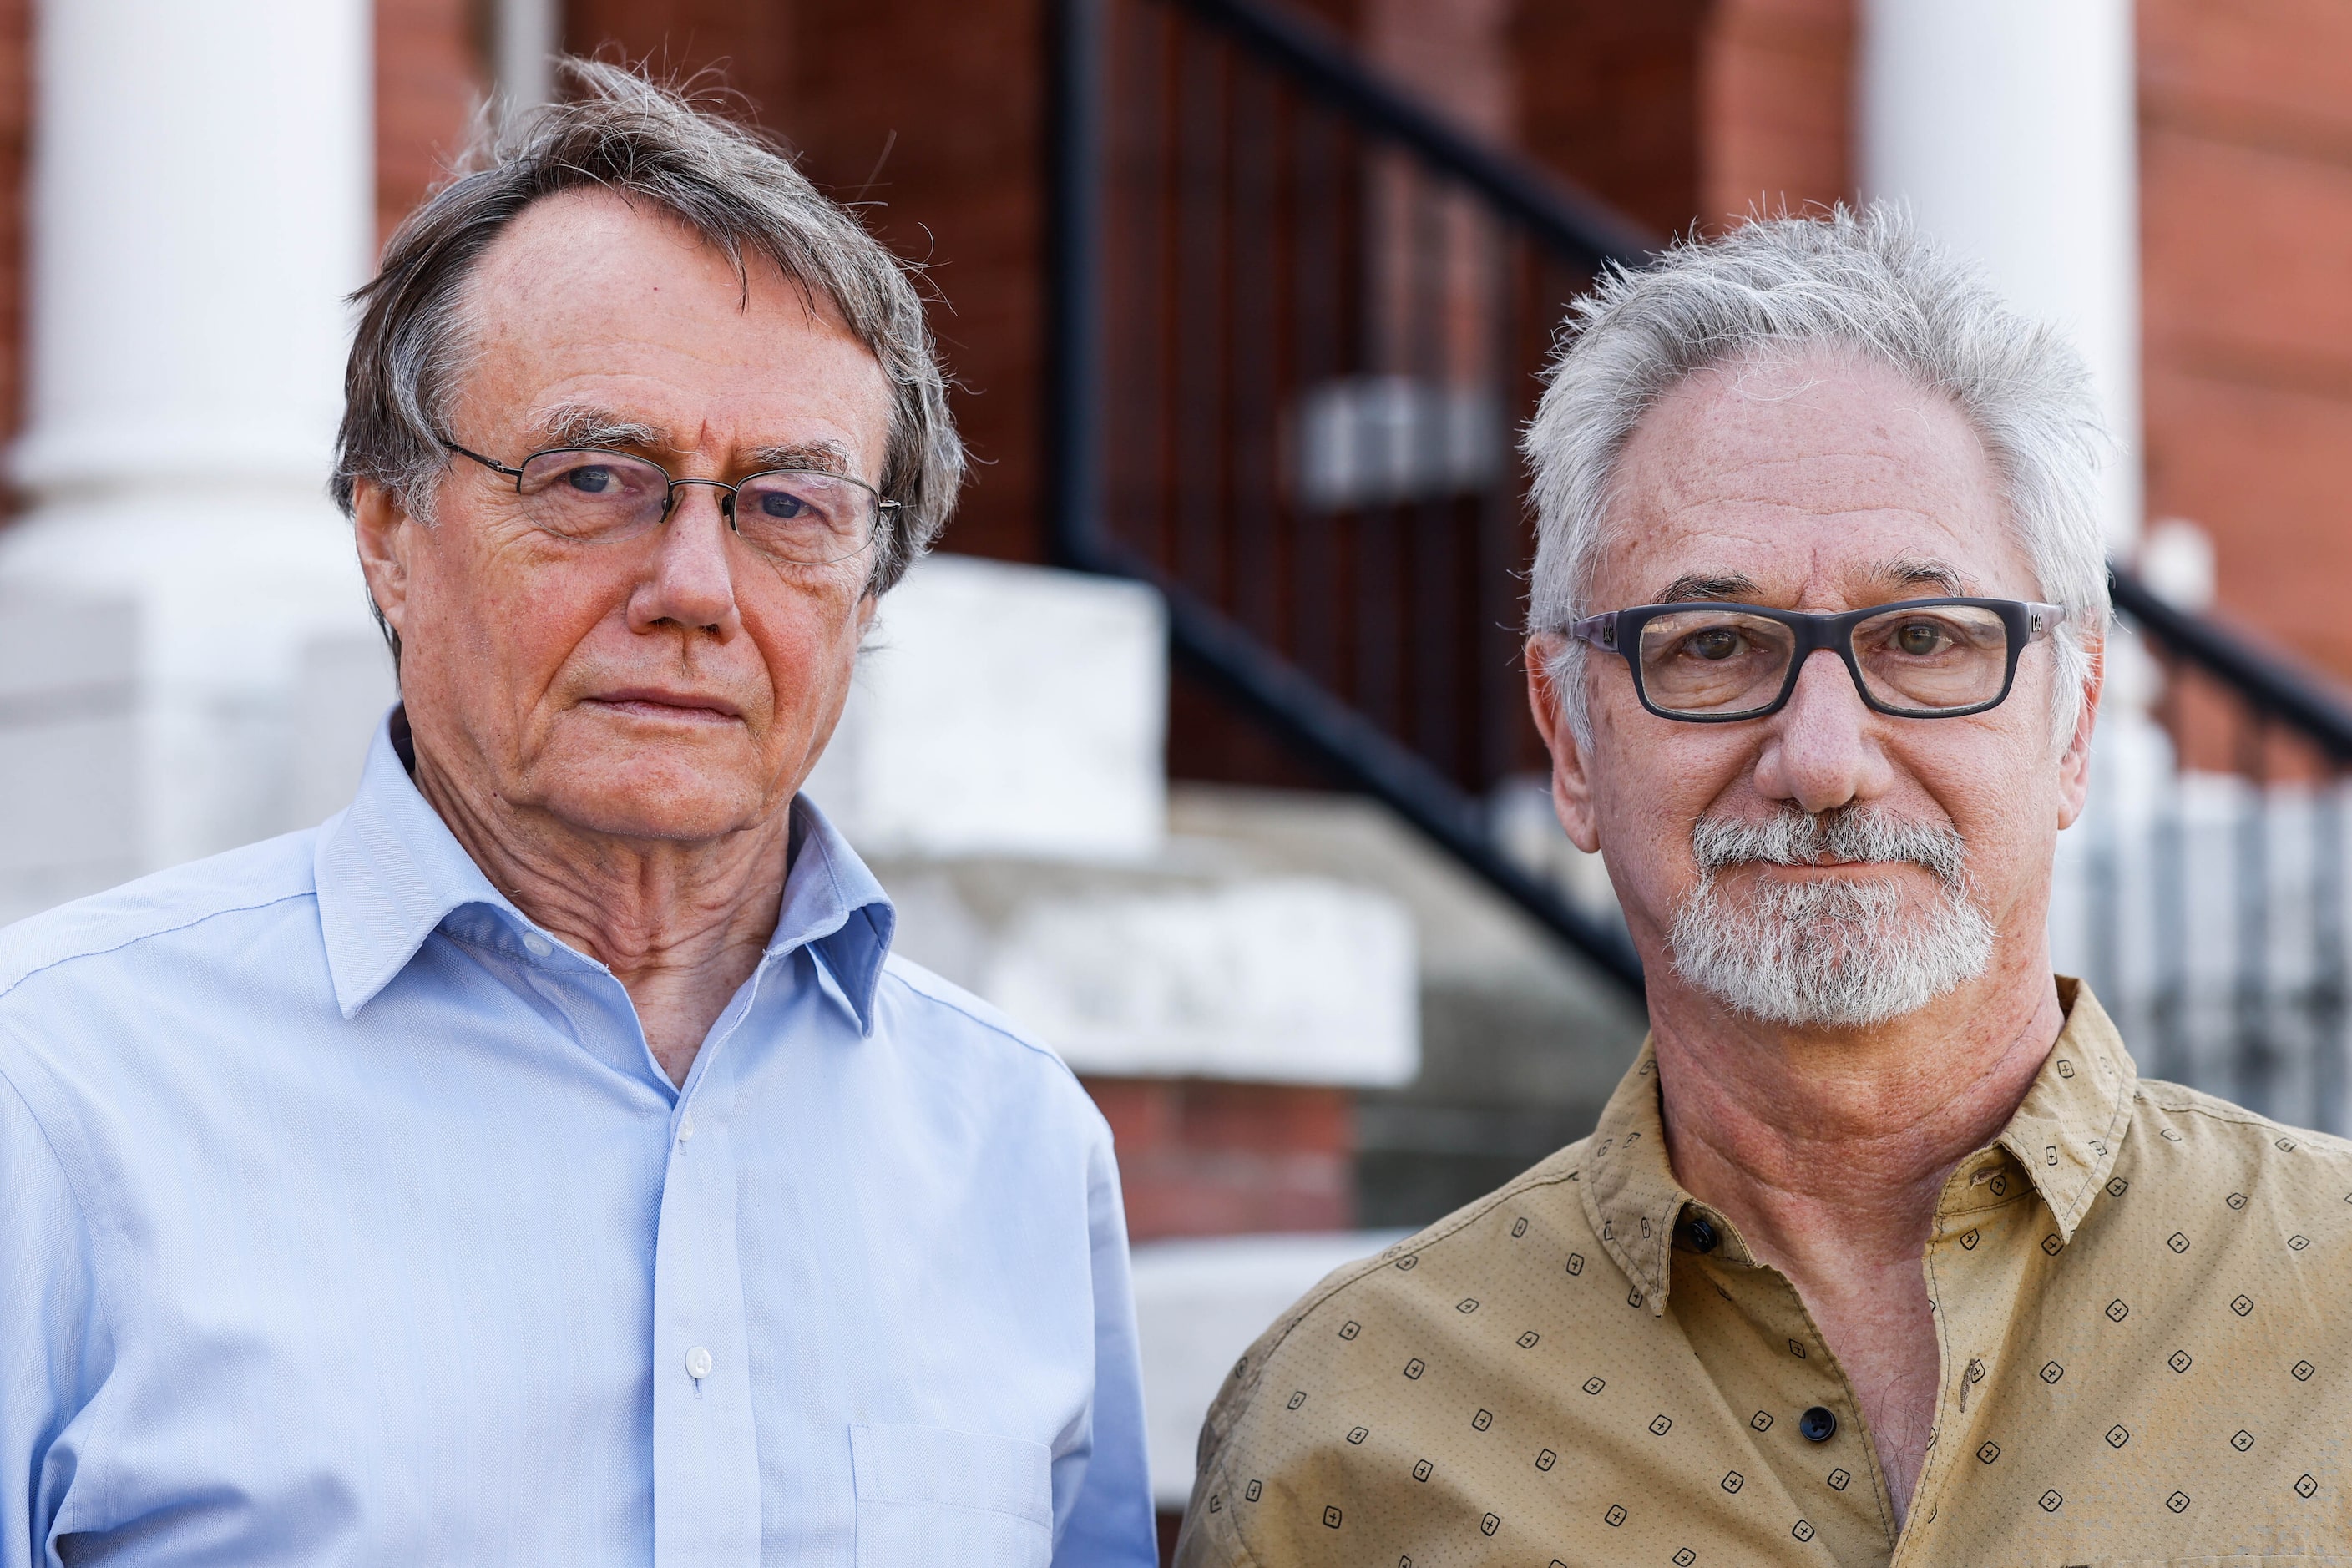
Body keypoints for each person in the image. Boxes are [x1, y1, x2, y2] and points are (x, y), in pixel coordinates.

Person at [0, 63, 1154, 1566]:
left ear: (867, 588)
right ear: (388, 532)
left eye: (787, 507)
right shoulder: (57, 1095)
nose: (692, 586)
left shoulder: (1012, 1140)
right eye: (596, 477)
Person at [1174, 205, 2352, 1565]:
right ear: (1568, 740)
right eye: (1714, 644)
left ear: (2072, 721)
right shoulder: (1344, 1436)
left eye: (1922, 637)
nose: (1822, 758)